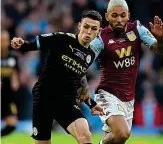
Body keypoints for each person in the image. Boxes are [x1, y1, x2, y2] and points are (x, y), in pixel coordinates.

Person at [11, 10, 104, 144]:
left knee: (85, 135)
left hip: (67, 101)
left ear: (98, 31)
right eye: (86, 26)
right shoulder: (63, 39)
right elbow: (38, 43)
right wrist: (22, 44)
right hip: (45, 96)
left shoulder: (89, 55)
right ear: (79, 26)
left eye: (93, 28)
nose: (89, 31)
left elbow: (78, 83)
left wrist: (92, 104)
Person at [89, 0, 163, 144]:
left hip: (128, 98)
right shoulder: (101, 39)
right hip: (107, 94)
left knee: (116, 140)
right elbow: (85, 59)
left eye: (123, 15)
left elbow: (161, 50)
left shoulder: (137, 29)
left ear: (128, 15)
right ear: (107, 17)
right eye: (114, 15)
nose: (119, 19)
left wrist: (161, 39)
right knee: (123, 133)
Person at [1, 30, 20, 136]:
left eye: (5, 40)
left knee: (12, 124)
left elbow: (15, 74)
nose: (3, 43)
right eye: (1, 40)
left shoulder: (12, 57)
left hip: (7, 96)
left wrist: (15, 81)